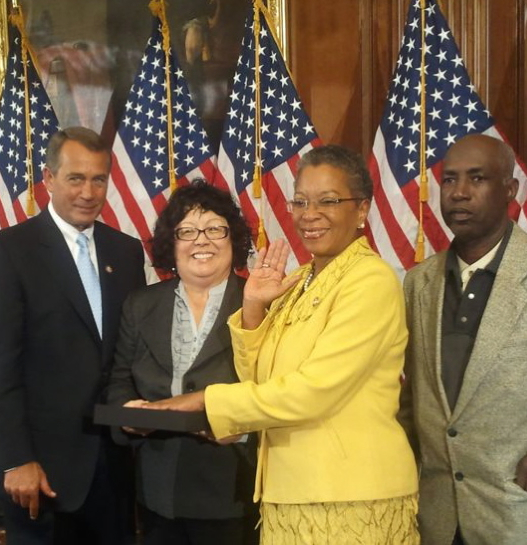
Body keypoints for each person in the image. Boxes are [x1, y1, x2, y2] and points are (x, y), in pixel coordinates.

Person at [143, 145, 420, 543]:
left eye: (329, 201)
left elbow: (311, 392)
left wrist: (205, 401)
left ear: (362, 210)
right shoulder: (302, 278)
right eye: (301, 201)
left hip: (349, 499)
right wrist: (253, 306)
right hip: (291, 494)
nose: (310, 214)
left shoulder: (370, 280)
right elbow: (258, 376)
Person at [398, 134, 527, 544]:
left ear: (509, 190)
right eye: (450, 180)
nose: (459, 193)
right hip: (440, 517)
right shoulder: (420, 282)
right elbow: (415, 395)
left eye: (477, 179)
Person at [0, 127, 146, 544]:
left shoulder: (126, 251)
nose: (88, 191)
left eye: (98, 179)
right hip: (41, 470)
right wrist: (15, 459)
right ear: (48, 178)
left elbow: (131, 351)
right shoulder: (6, 252)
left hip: (116, 462)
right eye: (75, 178)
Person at [107, 181, 258, 545]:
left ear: (232, 238)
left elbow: (276, 389)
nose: (201, 241)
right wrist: (128, 413)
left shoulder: (259, 302)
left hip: (235, 486)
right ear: (170, 243)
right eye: (187, 231)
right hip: (158, 489)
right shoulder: (140, 304)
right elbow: (119, 379)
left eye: (214, 229)